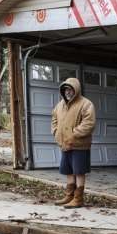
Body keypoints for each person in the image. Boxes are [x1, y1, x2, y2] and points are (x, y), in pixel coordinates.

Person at [51, 77, 96, 208]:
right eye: (65, 89)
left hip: (79, 145)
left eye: (70, 89)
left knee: (79, 171)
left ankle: (78, 198)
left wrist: (73, 134)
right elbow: (54, 119)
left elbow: (89, 124)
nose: (68, 92)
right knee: (68, 170)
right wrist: (56, 132)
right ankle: (69, 196)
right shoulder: (60, 105)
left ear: (76, 90)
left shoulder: (86, 104)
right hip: (65, 144)